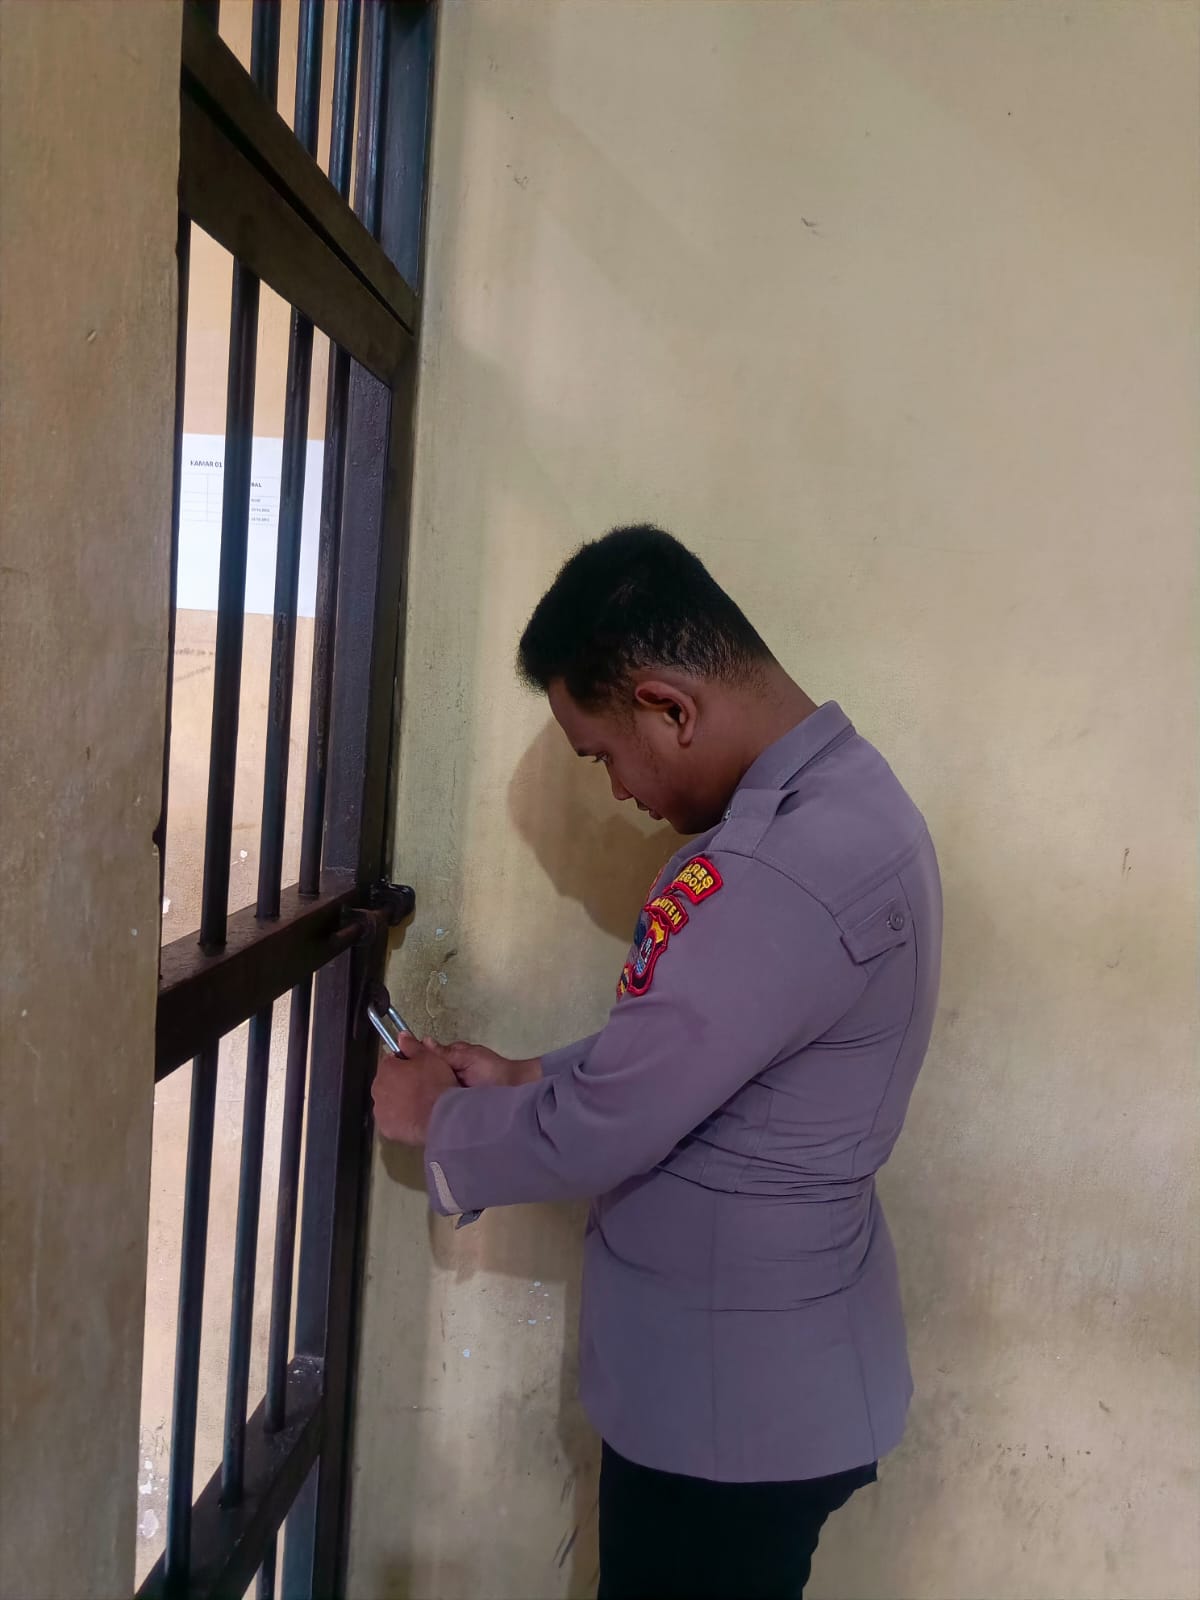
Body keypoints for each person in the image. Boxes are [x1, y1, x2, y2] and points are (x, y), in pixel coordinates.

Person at [372, 525, 942, 1599]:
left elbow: (615, 1124)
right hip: (781, 1370)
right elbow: (713, 1050)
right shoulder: (851, 801)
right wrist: (527, 1077)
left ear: (670, 707)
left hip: (728, 1413)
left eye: (602, 755)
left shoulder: (772, 873)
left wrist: (434, 1119)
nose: (617, 791)